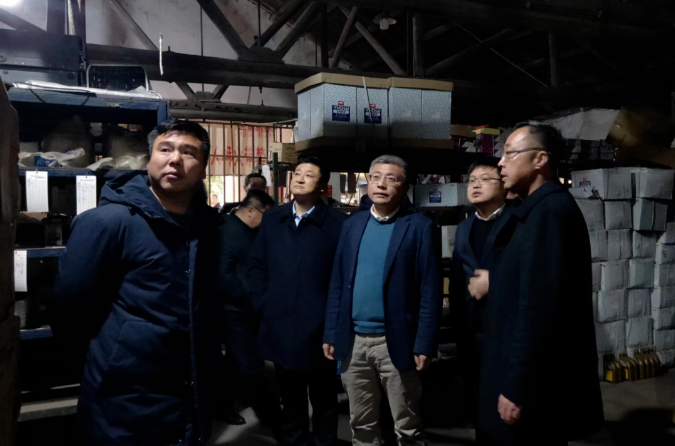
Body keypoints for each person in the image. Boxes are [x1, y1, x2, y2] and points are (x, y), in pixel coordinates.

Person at [52, 120, 223, 446]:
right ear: (150, 159)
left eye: (189, 153)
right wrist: (111, 362)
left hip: (189, 398)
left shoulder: (208, 230)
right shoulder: (108, 223)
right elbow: (70, 311)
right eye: (165, 149)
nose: (175, 159)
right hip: (123, 402)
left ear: (203, 168)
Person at [477, 122, 604, 445]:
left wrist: (517, 387)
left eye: (510, 154)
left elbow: (540, 309)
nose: (500, 163)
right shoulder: (531, 210)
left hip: (534, 387)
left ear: (540, 160)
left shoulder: (550, 213)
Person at [323, 155, 442, 446]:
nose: (381, 184)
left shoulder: (420, 227)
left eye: (391, 178)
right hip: (354, 343)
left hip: (397, 340)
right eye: (375, 177)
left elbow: (430, 290)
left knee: (408, 426)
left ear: (405, 187)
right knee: (361, 424)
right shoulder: (353, 225)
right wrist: (331, 332)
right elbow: (338, 282)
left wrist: (425, 343)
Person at [248, 156, 347, 446]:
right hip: (281, 325)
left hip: (321, 330)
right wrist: (264, 304)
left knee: (325, 400)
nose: (300, 179)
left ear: (323, 186)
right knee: (290, 401)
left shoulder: (338, 224)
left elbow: (344, 276)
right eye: (297, 173)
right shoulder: (274, 218)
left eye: (309, 175)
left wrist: (334, 323)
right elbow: (256, 266)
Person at [449, 157, 510, 438]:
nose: (476, 185)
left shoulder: (517, 222)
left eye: (485, 179)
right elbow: (457, 279)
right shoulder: (464, 227)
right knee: (477, 403)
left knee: (506, 408)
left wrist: (494, 283)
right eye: (472, 180)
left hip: (504, 330)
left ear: (504, 185)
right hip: (470, 332)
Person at [215, 189, 280, 434]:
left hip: (247, 308)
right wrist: (250, 297)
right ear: (252, 210)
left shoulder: (249, 231)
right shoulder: (227, 231)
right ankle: (272, 419)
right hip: (234, 310)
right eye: (266, 215)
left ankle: (223, 404)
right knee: (251, 364)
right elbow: (223, 275)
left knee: (235, 361)